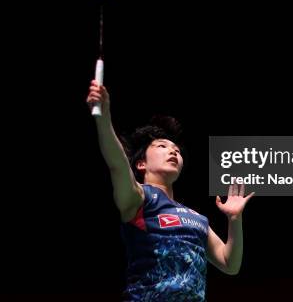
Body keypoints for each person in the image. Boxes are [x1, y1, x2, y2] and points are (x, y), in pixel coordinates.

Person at [86, 80, 254, 301]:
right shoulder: (139, 198)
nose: (173, 152)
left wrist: (235, 219)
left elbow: (229, 264)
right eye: (162, 146)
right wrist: (104, 117)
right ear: (141, 164)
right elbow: (117, 163)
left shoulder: (196, 218)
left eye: (176, 150)